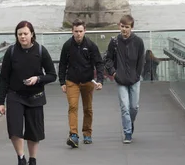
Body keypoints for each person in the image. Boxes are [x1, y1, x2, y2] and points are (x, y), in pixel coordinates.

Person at [0, 21, 57, 165]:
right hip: (15, 95)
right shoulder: (11, 52)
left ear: (32, 34)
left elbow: (52, 75)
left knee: (33, 131)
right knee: (15, 130)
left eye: (25, 33)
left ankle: (33, 160)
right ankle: (20, 158)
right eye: (19, 34)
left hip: (35, 96)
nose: (22, 37)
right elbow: (3, 78)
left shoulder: (40, 51)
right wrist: (0, 102)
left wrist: (38, 79)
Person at [58, 20, 104, 148]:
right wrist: (62, 81)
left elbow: (99, 63)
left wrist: (99, 80)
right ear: (72, 31)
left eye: (80, 31)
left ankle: (87, 133)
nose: (78, 34)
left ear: (84, 31)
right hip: (72, 81)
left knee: (87, 108)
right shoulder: (67, 46)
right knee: (73, 107)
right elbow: (62, 64)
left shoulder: (91, 45)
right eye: (76, 31)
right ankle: (73, 134)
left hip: (88, 81)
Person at [104, 14, 145, 144]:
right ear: (119, 26)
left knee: (134, 107)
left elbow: (141, 60)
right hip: (120, 79)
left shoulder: (138, 42)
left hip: (134, 79)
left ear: (131, 27)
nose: (124, 29)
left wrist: (137, 75)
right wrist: (114, 73)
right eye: (122, 26)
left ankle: (130, 123)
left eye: (127, 27)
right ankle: (127, 133)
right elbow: (107, 59)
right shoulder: (114, 42)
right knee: (124, 107)